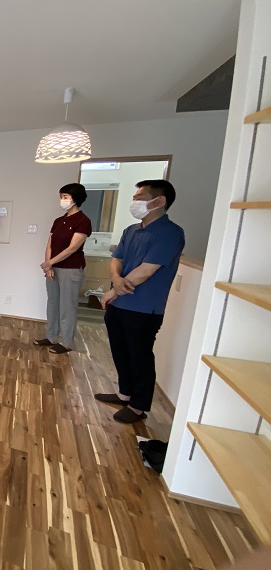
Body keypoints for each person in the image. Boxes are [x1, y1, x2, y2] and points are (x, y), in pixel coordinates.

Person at [95, 179, 185, 424]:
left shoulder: (170, 233)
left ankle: (138, 406)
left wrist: (113, 291)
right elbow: (116, 259)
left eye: (140, 197)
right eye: (135, 198)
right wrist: (116, 279)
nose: (134, 202)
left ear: (159, 200)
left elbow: (147, 270)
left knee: (140, 356)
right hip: (119, 306)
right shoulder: (131, 231)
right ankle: (124, 394)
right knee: (120, 352)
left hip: (144, 308)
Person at [34, 183, 92, 354]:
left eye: (65, 197)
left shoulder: (83, 221)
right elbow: (50, 244)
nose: (62, 200)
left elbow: (73, 248)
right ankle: (51, 336)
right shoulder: (59, 221)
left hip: (71, 269)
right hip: (53, 268)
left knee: (67, 305)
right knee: (52, 303)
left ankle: (66, 342)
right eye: (61, 197)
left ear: (75, 199)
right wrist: (48, 265)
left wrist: (50, 263)